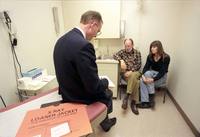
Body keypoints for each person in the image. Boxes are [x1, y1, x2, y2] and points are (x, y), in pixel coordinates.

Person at [53, 10, 116, 132]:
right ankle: (105, 122)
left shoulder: (61, 40)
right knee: (107, 93)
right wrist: (106, 82)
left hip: (66, 93)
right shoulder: (84, 45)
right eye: (97, 32)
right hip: (79, 97)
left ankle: (106, 121)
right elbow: (93, 87)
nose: (95, 36)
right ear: (93, 25)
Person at [138, 40, 170, 108]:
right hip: (151, 74)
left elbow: (162, 72)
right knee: (143, 78)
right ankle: (147, 101)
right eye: (151, 47)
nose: (152, 48)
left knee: (144, 79)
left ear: (159, 48)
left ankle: (149, 99)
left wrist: (153, 79)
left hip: (161, 77)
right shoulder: (150, 56)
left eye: (154, 47)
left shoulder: (166, 57)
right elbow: (146, 67)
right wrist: (143, 76)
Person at [113, 38, 141, 115]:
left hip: (135, 72)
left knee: (133, 75)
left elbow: (138, 65)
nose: (127, 48)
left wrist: (131, 71)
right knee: (137, 82)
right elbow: (114, 55)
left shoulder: (137, 53)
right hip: (125, 74)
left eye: (128, 46)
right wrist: (121, 60)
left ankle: (127, 97)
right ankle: (133, 103)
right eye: (125, 46)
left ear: (132, 45)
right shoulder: (122, 52)